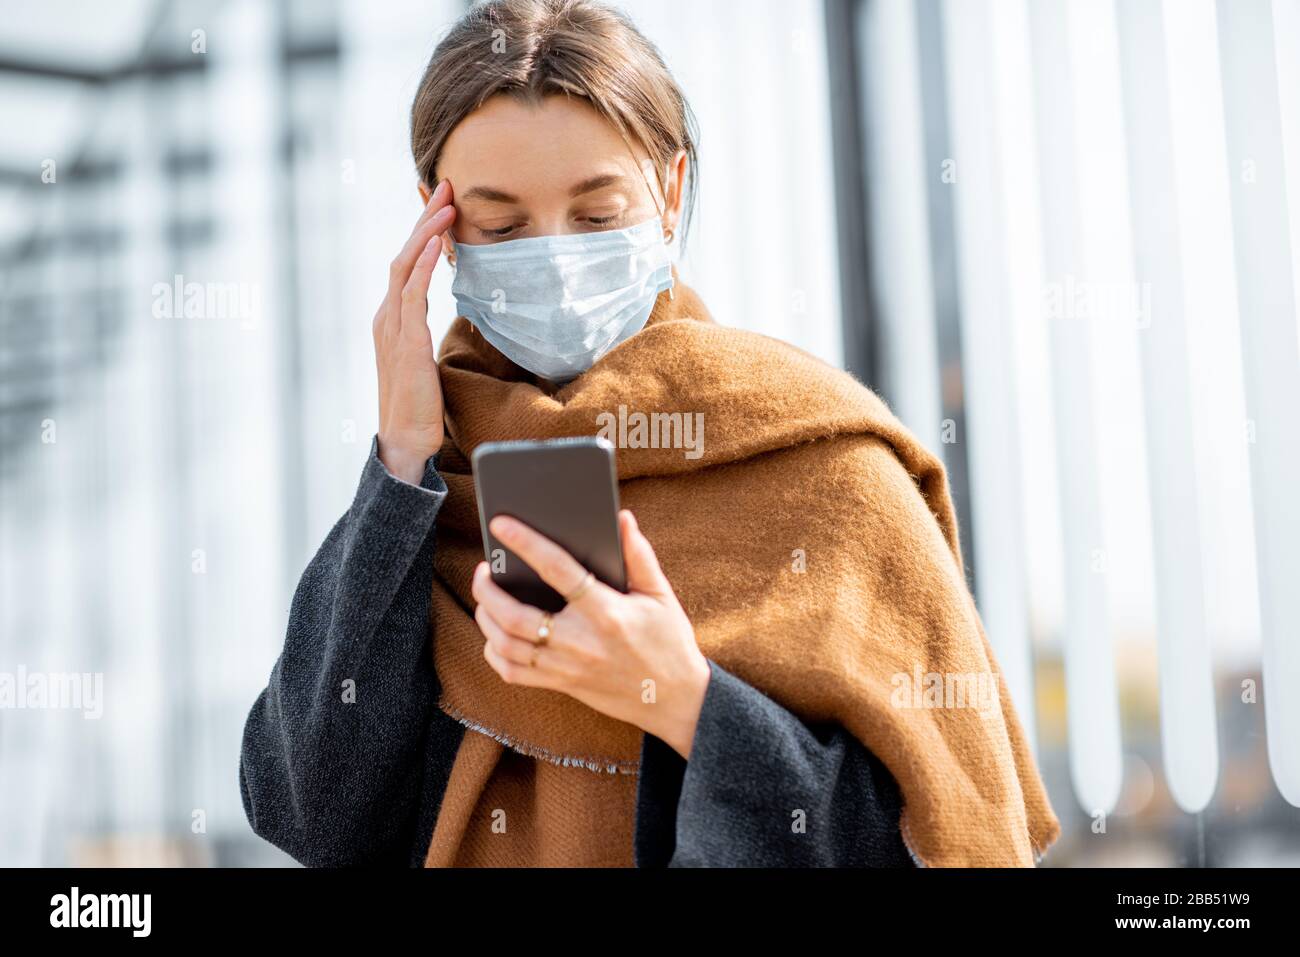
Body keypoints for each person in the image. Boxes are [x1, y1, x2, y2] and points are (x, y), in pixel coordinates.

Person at [239, 0, 1059, 868]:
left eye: (595, 216)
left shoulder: (824, 464)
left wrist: (685, 700)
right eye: (502, 226)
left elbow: (941, 837)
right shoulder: (428, 487)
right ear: (437, 228)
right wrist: (400, 465)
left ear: (668, 194)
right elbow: (308, 810)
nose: (553, 255)